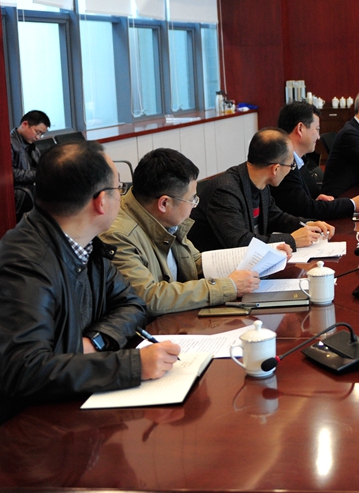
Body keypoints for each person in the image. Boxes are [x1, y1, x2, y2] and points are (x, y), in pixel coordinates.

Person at [0, 141, 179, 420]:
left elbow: (131, 304)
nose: (122, 196)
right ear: (101, 201)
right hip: (30, 423)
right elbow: (24, 370)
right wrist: (132, 365)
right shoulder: (25, 262)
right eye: (119, 188)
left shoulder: (87, 244)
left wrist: (93, 343)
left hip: (73, 404)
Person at [100, 149, 260, 316]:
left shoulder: (165, 218)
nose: (195, 205)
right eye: (192, 199)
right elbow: (149, 298)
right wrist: (228, 287)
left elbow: (194, 261)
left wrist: (249, 260)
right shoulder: (117, 235)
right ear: (164, 203)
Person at [188, 128, 334, 252]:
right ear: (275, 169)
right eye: (291, 165)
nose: (291, 170)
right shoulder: (224, 191)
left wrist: (307, 224)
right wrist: (292, 240)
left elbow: (275, 217)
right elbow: (240, 242)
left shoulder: (259, 181)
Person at [271, 102, 359, 220]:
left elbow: (303, 204)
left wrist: (317, 201)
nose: (318, 136)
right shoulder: (284, 165)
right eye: (317, 129)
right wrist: (353, 204)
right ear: (300, 128)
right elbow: (306, 210)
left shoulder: (298, 160)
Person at [10, 110, 50, 220]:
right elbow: (10, 174)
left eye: (41, 134)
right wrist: (39, 175)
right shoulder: (9, 144)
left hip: (31, 187)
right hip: (20, 191)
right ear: (25, 124)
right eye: (37, 132)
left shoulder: (31, 145)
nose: (38, 137)